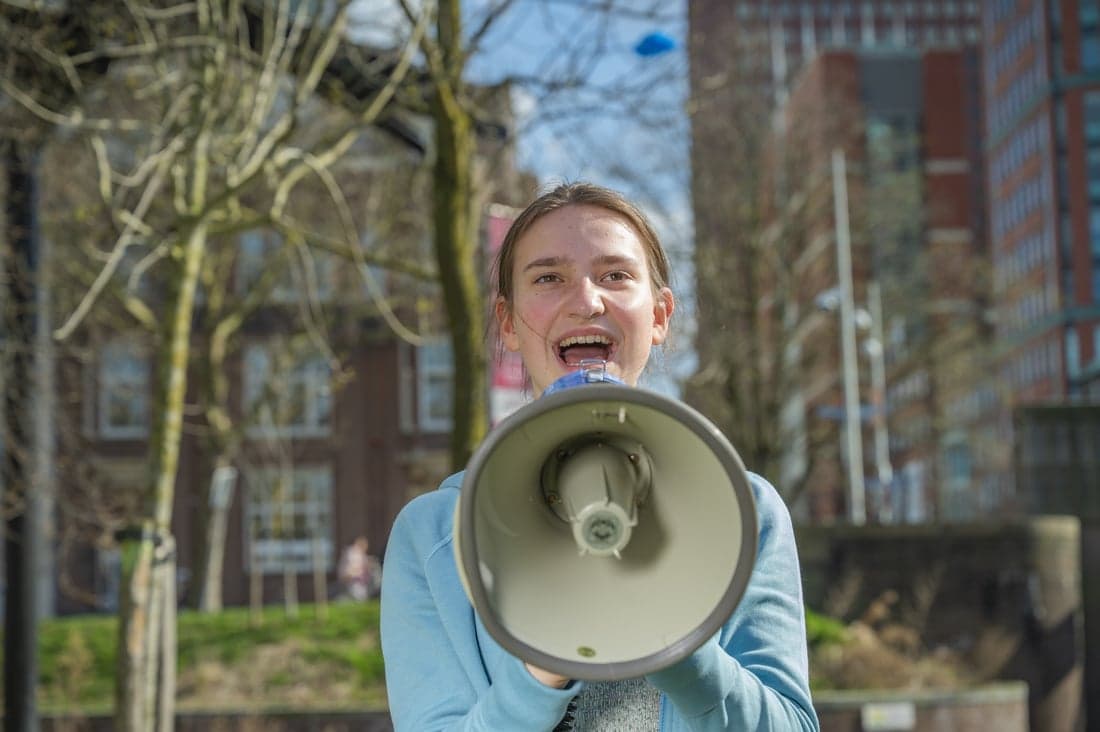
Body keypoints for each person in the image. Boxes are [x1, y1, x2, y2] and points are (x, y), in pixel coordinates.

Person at [380, 182, 819, 730]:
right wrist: (540, 671)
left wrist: (679, 645)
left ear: (659, 316)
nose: (587, 301)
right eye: (548, 278)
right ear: (510, 322)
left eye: (616, 276)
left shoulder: (744, 509)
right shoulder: (434, 537)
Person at [338, 536, 381, 601]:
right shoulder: (351, 554)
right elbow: (347, 573)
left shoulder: (360, 555)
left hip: (362, 584)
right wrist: (358, 571)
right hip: (354, 584)